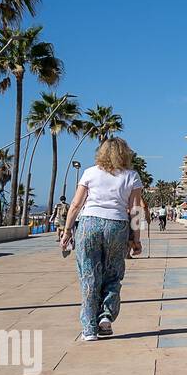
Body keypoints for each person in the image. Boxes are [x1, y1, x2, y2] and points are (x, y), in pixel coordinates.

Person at [58, 138, 145, 341]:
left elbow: (75, 204)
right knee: (113, 274)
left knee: (89, 275)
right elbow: (136, 210)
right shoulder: (131, 176)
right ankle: (105, 316)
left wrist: (67, 230)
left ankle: (88, 329)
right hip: (117, 225)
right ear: (125, 153)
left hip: (89, 224)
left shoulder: (89, 172)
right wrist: (137, 240)